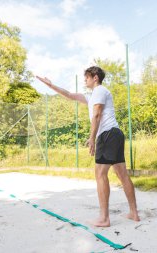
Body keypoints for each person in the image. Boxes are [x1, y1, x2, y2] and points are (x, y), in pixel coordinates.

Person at [36, 66, 140, 227]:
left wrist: (92, 138)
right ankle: (134, 213)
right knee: (122, 174)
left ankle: (104, 218)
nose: (85, 80)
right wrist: (51, 85)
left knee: (100, 173)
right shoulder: (92, 96)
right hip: (115, 133)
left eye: (87, 77)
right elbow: (70, 95)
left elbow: (97, 114)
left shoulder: (99, 91)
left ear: (95, 77)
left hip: (107, 134)